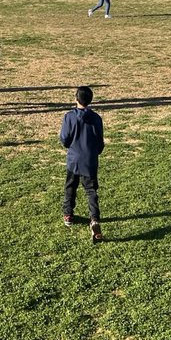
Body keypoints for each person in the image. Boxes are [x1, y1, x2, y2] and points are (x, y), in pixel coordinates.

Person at [60, 85, 105, 242]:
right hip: (90, 161)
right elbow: (100, 142)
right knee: (91, 191)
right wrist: (95, 152)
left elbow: (64, 139)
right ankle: (94, 219)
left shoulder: (69, 117)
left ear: (75, 99)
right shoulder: (96, 118)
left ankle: (68, 214)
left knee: (70, 187)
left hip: (74, 160)